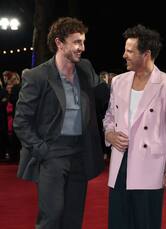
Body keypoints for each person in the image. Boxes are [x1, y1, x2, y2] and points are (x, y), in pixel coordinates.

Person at [13, 17, 105, 228]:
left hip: (80, 154)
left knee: (73, 218)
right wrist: (41, 149)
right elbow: (21, 120)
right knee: (51, 216)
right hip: (52, 153)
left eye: (83, 42)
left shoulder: (85, 68)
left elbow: (106, 95)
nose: (82, 47)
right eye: (76, 42)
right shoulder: (37, 76)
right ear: (59, 43)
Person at [103, 24, 166, 229]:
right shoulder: (118, 82)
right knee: (119, 221)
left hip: (150, 165)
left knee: (145, 221)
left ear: (146, 54)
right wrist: (110, 133)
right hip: (120, 161)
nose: (124, 55)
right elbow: (110, 115)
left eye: (129, 51)